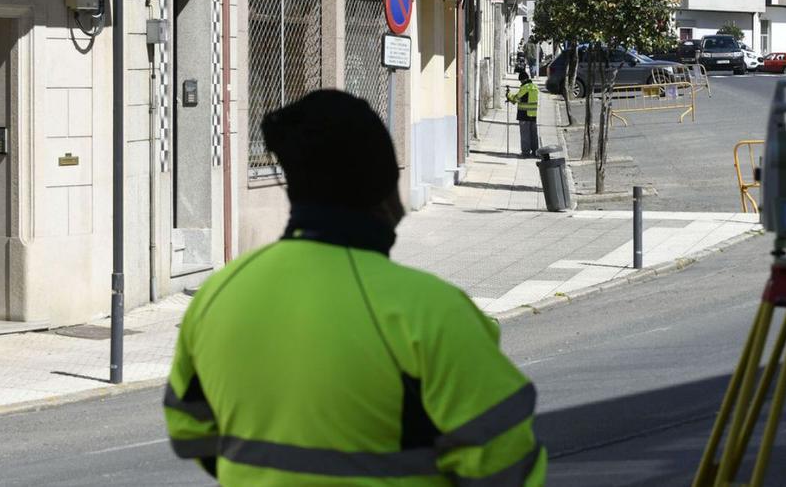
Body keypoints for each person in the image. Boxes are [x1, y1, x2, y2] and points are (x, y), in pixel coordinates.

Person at [164, 90, 547, 486]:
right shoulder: (432, 313)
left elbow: (189, 430)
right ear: (382, 188)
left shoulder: (217, 297)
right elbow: (508, 464)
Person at [506, 71, 540, 158]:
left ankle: (525, 152)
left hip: (524, 114)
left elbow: (516, 99)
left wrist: (509, 95)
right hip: (533, 115)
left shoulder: (525, 88)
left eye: (520, 81)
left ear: (523, 79)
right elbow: (526, 99)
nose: (520, 82)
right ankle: (535, 151)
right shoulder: (535, 87)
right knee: (533, 134)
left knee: (525, 134)